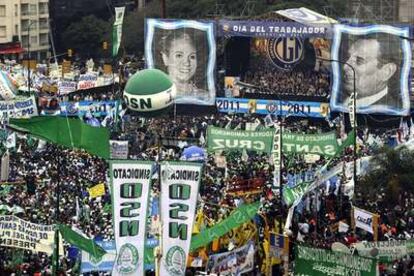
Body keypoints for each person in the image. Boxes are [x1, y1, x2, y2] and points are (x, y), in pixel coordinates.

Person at [340, 33, 402, 109]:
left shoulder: (391, 111)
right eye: (347, 57)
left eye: (359, 61)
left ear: (387, 72)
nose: (345, 66)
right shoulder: (340, 99)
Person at [160, 29, 208, 100]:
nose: (186, 63)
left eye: (192, 57)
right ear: (165, 58)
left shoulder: (205, 96)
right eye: (179, 55)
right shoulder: (155, 94)